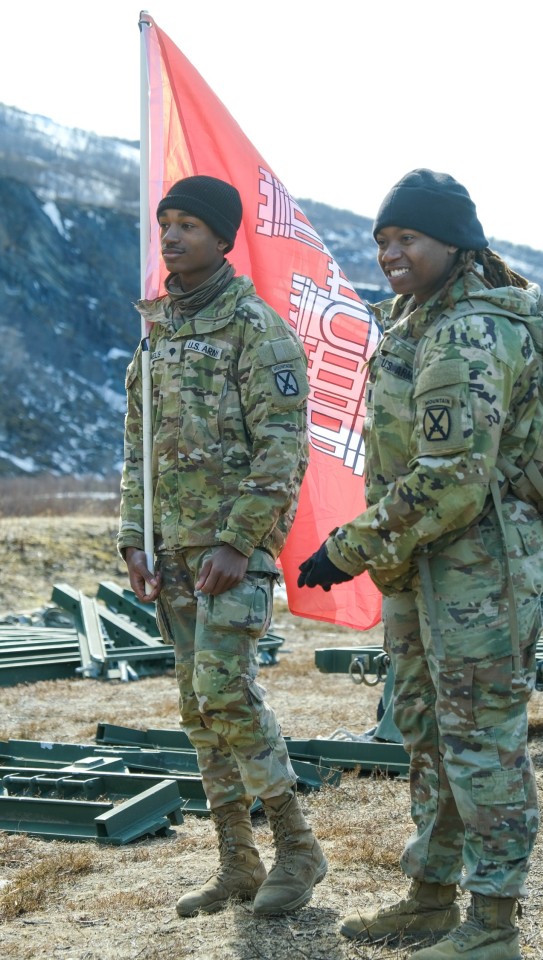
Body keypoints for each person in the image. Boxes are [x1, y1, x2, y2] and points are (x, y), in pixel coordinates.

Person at [298, 169, 543, 960]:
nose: (390, 253)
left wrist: (349, 547)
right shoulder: (416, 322)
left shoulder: (469, 331)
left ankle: (493, 923)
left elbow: (452, 479)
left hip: (481, 571)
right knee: (426, 732)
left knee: (480, 740)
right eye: (382, 239)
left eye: (407, 237)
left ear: (454, 242)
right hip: (423, 566)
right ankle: (432, 896)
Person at [118, 175, 326, 919]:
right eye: (166, 223)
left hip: (233, 554)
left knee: (226, 693)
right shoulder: (156, 335)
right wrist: (133, 540)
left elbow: (283, 448)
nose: (172, 236)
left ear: (222, 238)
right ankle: (237, 859)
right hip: (172, 555)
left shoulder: (255, 329)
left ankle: (297, 847)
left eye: (189, 225)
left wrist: (240, 541)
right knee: (197, 708)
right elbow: (137, 451)